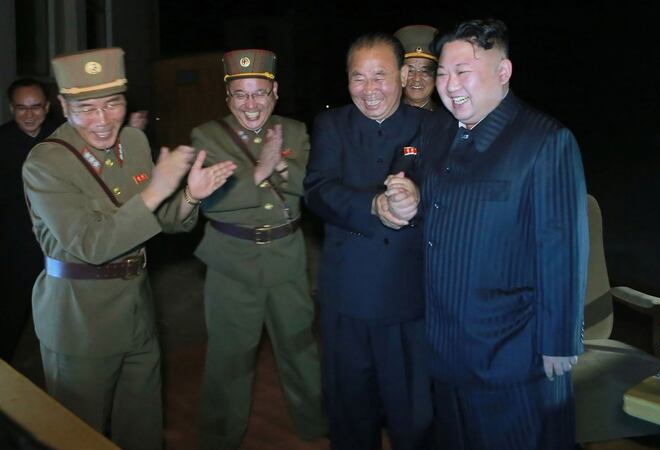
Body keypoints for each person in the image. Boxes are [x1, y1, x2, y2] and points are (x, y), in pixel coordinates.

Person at [382, 19, 589, 449]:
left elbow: (562, 244)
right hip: (445, 344)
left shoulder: (544, 141)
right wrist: (405, 199)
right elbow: (427, 199)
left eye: (464, 71)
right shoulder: (437, 130)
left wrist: (559, 340)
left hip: (513, 354)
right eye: (442, 73)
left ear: (504, 72)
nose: (449, 84)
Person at [22, 47, 236, 450]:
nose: (103, 121)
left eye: (113, 104)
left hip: (136, 308)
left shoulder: (134, 141)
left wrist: (190, 193)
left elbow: (164, 219)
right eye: (86, 108)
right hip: (79, 320)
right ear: (64, 106)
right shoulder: (46, 163)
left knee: (141, 429)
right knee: (77, 435)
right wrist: (158, 189)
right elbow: (91, 243)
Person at [190, 49, 326, 449]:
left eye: (260, 93)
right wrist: (262, 170)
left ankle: (315, 425)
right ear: (228, 97)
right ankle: (220, 437)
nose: (251, 104)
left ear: (275, 92)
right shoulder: (208, 136)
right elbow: (213, 199)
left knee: (301, 350)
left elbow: (314, 184)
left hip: (286, 256)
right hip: (232, 262)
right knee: (229, 359)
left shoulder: (295, 131)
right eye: (241, 95)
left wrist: (282, 166)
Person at [303, 33, 433, 450]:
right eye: (358, 78)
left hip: (410, 301)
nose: (369, 89)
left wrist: (419, 198)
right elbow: (318, 189)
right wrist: (373, 205)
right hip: (347, 300)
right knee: (349, 416)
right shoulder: (331, 125)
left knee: (413, 418)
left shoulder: (433, 127)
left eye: (380, 76)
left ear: (402, 75)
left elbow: (454, 195)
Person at [0, 78, 59, 363]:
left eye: (36, 106)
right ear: (11, 109)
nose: (29, 114)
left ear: (47, 108)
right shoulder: (2, 141)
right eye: (22, 108)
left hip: (60, 245)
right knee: (10, 317)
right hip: (14, 249)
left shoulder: (63, 136)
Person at [394, 25, 439, 111]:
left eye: (425, 71)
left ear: (436, 77)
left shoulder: (448, 121)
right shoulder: (384, 116)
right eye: (410, 71)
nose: (417, 78)